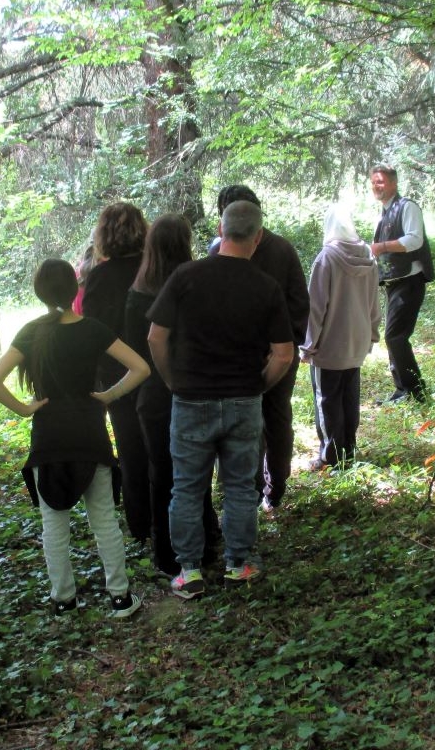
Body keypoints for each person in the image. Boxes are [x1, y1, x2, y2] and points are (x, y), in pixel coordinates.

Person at [0, 258, 148, 618]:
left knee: (53, 523)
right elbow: (141, 367)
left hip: (49, 439)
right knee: (104, 519)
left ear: (39, 292)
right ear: (76, 289)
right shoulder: (92, 329)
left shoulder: (31, 333)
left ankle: (64, 600)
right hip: (90, 434)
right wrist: (109, 396)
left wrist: (25, 409)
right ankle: (120, 597)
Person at [147, 200, 294, 599]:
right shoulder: (266, 287)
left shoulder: (185, 276)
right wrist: (258, 386)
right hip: (243, 399)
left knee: (187, 488)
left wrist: (172, 379)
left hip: (191, 399)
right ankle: (239, 563)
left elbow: (155, 337)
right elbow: (284, 353)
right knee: (242, 488)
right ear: (258, 237)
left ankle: (189, 571)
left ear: (220, 228)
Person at [122, 214, 220, 577]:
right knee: (197, 472)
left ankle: (166, 553)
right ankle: (205, 543)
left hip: (154, 394)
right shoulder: (200, 286)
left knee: (162, 474)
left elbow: (135, 349)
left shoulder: (136, 295)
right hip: (194, 388)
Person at [208, 185, 309, 511]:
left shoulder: (276, 251)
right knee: (271, 418)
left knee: (252, 421)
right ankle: (267, 489)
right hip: (263, 355)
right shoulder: (283, 249)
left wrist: (280, 346)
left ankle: (263, 488)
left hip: (249, 358)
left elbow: (298, 305)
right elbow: (300, 307)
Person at [82, 202, 151, 544]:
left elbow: (95, 333)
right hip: (159, 372)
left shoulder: (100, 277)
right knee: (165, 447)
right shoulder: (154, 268)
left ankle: (140, 525)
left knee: (131, 448)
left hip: (118, 377)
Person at [301, 204, 381, 470]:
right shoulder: (369, 256)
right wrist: (371, 333)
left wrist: (308, 346)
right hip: (357, 341)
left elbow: (316, 307)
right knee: (349, 397)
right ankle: (349, 449)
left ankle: (331, 457)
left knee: (327, 400)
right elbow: (374, 301)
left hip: (330, 345)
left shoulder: (327, 259)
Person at [369, 164, 435, 405]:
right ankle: (403, 391)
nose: (377, 186)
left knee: (395, 337)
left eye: (381, 181)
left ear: (393, 183)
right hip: (394, 283)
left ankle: (415, 393)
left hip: (410, 282)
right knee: (394, 337)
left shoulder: (407, 207)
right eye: (374, 182)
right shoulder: (384, 212)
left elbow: (414, 239)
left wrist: (382, 247)